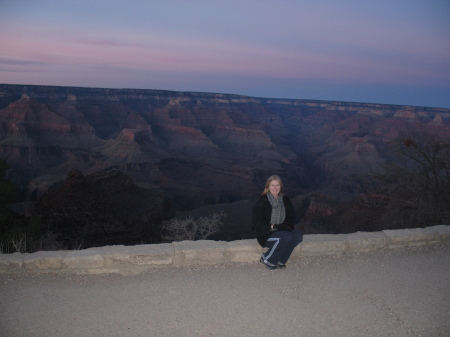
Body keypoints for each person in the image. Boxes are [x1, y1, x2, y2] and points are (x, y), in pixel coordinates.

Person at [252, 175, 303, 269]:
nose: (275, 188)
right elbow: (257, 222)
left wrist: (287, 226)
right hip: (265, 234)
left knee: (297, 235)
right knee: (286, 237)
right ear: (268, 187)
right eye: (272, 185)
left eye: (277, 185)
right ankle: (267, 258)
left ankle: (280, 260)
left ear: (281, 187)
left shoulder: (285, 200)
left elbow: (291, 217)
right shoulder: (262, 201)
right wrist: (274, 226)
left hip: (281, 231)